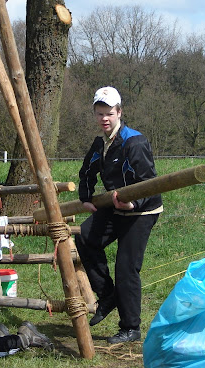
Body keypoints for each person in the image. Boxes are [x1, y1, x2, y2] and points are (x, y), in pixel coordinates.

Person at [74, 86, 163, 344]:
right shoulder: (100, 143)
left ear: (119, 112)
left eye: (109, 113)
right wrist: (86, 198)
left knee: (126, 267)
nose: (104, 118)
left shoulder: (135, 141)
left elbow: (149, 182)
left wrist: (134, 205)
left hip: (142, 210)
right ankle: (108, 295)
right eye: (100, 113)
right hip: (115, 205)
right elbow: (86, 172)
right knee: (85, 237)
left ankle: (130, 327)